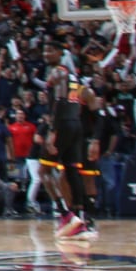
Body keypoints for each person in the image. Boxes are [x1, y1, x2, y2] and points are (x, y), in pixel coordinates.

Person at [43, 42, 100, 241]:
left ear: (61, 54)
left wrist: (52, 130)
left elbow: (59, 101)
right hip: (75, 125)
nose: (45, 53)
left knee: (44, 171)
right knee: (71, 171)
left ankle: (65, 214)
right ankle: (81, 219)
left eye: (50, 49)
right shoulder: (74, 79)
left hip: (63, 124)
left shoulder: (58, 73)